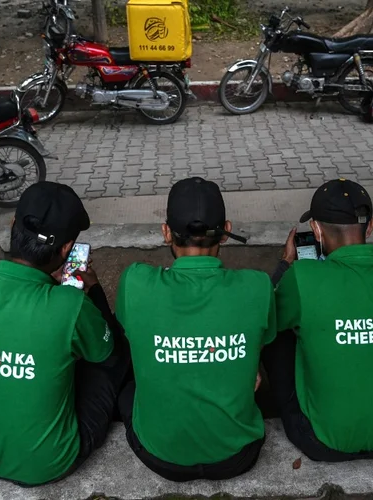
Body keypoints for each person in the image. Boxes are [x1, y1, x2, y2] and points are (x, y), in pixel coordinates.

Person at [0, 181, 128, 486]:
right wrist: (93, 289)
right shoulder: (69, 305)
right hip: (48, 464)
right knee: (110, 358)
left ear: (14, 224)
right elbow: (107, 354)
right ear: (68, 248)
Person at [116, 177, 276, 482]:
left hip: (161, 457)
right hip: (237, 455)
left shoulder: (135, 283)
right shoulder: (257, 286)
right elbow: (262, 343)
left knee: (126, 386)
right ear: (226, 231)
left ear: (166, 232)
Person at [264, 179, 373, 462]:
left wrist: (285, 265)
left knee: (277, 333)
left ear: (315, 229)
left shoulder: (304, 276)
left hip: (320, 441)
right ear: (370, 226)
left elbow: (264, 315)